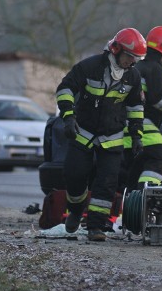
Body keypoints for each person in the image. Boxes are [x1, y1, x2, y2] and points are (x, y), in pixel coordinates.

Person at [56, 28, 146, 241]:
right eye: (129, 57)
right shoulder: (90, 67)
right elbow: (65, 89)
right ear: (116, 49)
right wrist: (68, 117)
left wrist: (137, 135)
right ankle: (76, 210)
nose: (131, 62)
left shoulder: (133, 76)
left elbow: (135, 107)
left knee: (106, 183)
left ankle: (95, 227)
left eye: (135, 59)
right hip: (83, 131)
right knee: (75, 174)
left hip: (112, 135)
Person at [123, 26, 162, 190]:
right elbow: (160, 100)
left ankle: (132, 199)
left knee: (137, 167)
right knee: (160, 158)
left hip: (125, 125)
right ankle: (148, 196)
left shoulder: (139, 67)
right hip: (142, 123)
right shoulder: (155, 69)